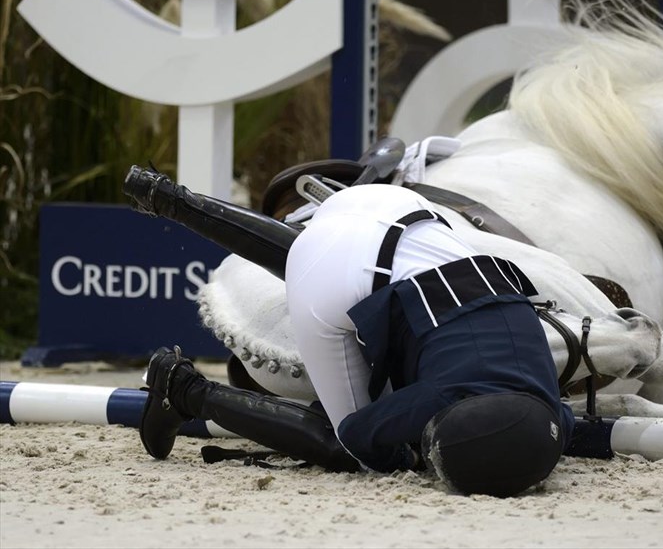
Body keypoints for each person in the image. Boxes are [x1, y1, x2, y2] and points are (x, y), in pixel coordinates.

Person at [123, 165, 575, 497]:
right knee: (354, 451)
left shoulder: (549, 399)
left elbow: (572, 426)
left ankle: (172, 197)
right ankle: (183, 390)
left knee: (342, 262)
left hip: (397, 209)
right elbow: (361, 432)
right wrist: (410, 454)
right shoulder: (445, 395)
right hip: (334, 275)